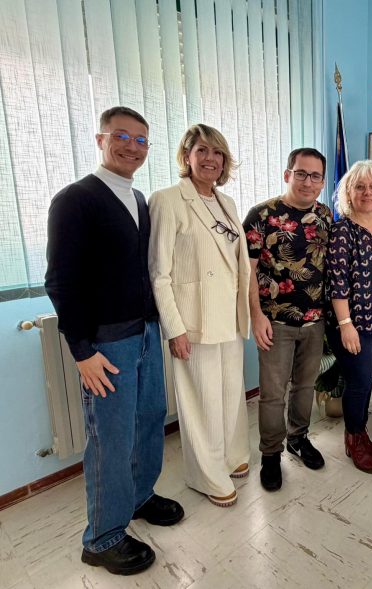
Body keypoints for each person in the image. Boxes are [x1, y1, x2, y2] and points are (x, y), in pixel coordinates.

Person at [44, 106, 183, 576]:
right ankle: (102, 538)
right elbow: (61, 282)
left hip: (145, 332)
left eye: (141, 140)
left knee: (149, 421)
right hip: (107, 345)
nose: (132, 146)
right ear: (100, 139)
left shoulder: (138, 199)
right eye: (121, 136)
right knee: (111, 438)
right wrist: (82, 352)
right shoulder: (75, 200)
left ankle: (139, 497)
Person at [148, 124, 251, 507]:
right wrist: (174, 328)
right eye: (202, 151)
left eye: (217, 152)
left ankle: (231, 455)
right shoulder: (168, 200)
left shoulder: (227, 203)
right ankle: (205, 475)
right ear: (186, 156)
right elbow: (159, 274)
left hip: (229, 315)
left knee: (230, 395)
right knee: (201, 402)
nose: (210, 159)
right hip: (194, 320)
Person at [242, 148, 331, 491]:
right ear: (287, 175)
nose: (308, 181)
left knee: (305, 387)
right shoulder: (261, 215)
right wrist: (256, 316)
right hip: (275, 322)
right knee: (273, 394)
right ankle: (270, 454)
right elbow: (247, 272)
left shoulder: (325, 216)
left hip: (315, 321)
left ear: (322, 181)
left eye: (315, 175)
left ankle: (298, 438)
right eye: (301, 173)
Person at [326, 160, 372, 473]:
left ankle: (361, 431)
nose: (368, 192)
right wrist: (346, 326)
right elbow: (337, 282)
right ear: (348, 193)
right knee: (359, 381)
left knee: (368, 382)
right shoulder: (342, 231)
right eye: (360, 187)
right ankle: (353, 438)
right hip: (351, 324)